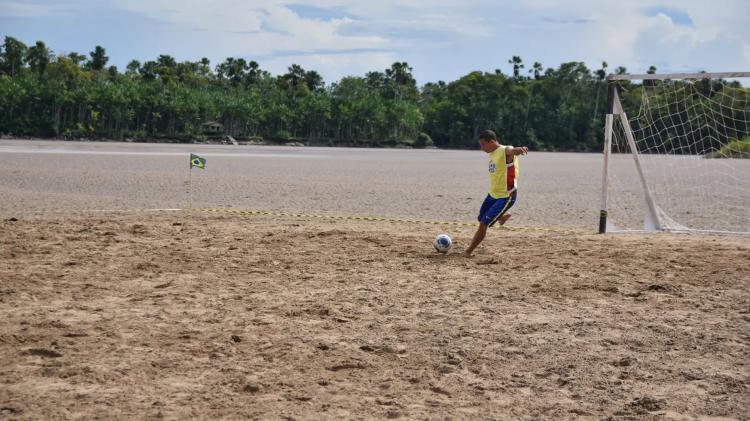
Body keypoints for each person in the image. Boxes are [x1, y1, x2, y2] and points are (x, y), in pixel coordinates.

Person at [463, 130, 528, 257]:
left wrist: (519, 149)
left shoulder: (504, 151)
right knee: (480, 218)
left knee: (484, 224)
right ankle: (503, 216)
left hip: (506, 196)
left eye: (483, 145)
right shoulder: (492, 153)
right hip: (492, 195)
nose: (482, 148)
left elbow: (511, 150)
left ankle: (468, 251)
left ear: (492, 142)